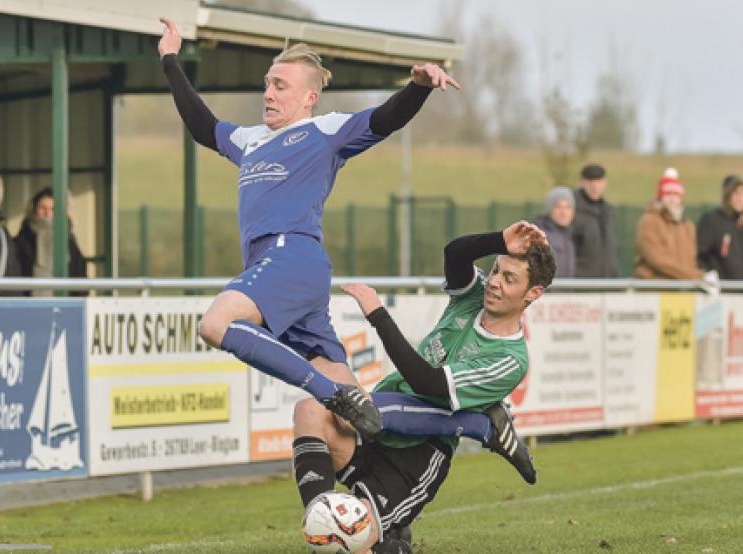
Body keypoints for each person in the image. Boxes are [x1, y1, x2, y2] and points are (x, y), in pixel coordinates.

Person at [157, 18, 460, 438]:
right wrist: (170, 59)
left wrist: (418, 88)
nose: (268, 93)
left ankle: (332, 394)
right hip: (284, 270)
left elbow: (384, 119)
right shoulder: (250, 140)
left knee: (215, 325)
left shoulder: (324, 130)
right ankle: (475, 423)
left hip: (291, 255)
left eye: (280, 85)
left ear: (309, 97)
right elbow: (202, 126)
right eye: (267, 83)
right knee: (356, 428)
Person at [292, 222, 555, 553]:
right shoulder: (473, 298)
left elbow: (426, 383)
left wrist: (377, 314)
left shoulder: (510, 360)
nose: (495, 283)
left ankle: (384, 539)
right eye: (496, 271)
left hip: (416, 458)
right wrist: (500, 240)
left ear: (533, 293)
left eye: (510, 279)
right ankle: (326, 521)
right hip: (377, 426)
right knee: (309, 410)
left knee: (352, 545)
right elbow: (455, 254)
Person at [696, 175, 743, 285]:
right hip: (721, 290)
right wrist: (709, 276)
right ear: (728, 196)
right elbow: (700, 256)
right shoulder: (713, 220)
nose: (740, 198)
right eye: (736, 193)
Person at [15, 187, 88, 296]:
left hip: (65, 305)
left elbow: (79, 274)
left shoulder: (69, 240)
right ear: (34, 209)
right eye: (42, 208)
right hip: (30, 305)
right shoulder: (23, 240)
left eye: (53, 209)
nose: (47, 213)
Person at [633, 168, 704, 280]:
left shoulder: (687, 227)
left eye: (675, 194)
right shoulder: (648, 221)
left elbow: (691, 261)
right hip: (655, 289)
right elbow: (655, 259)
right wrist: (696, 276)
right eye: (668, 194)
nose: (672, 198)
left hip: (682, 289)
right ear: (660, 196)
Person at [572, 163, 620, 277]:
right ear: (582, 182)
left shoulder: (609, 211)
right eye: (590, 181)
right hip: (581, 285)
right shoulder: (572, 210)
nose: (595, 186)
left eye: (598, 181)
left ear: (605, 183)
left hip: (610, 283)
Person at [533, 186, 576, 278]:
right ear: (550, 210)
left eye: (568, 207)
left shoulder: (569, 235)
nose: (564, 212)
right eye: (558, 207)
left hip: (567, 292)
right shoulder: (540, 236)